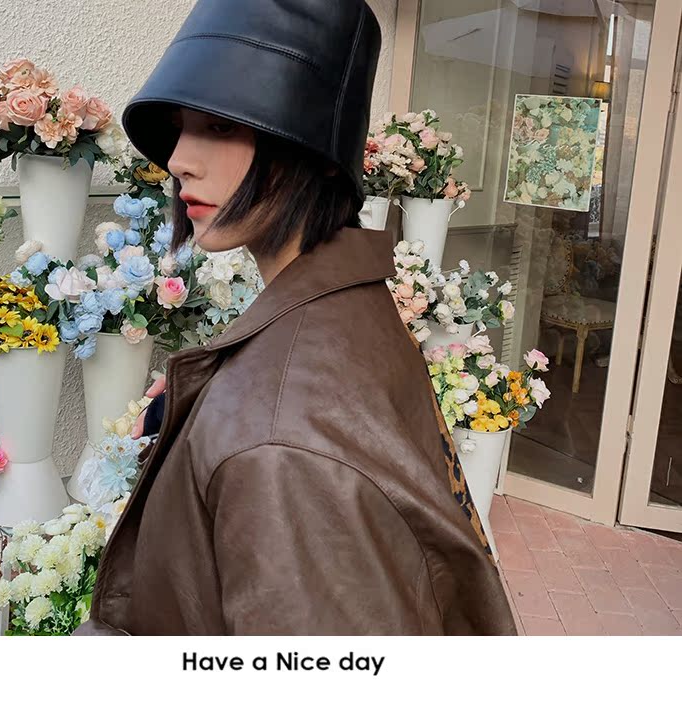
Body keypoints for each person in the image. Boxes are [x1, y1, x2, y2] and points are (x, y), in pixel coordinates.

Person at [76, 0, 516, 636]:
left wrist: (251, 420)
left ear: (319, 150)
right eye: (180, 126)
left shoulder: (280, 439)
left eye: (221, 126)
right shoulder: (354, 305)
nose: (179, 160)